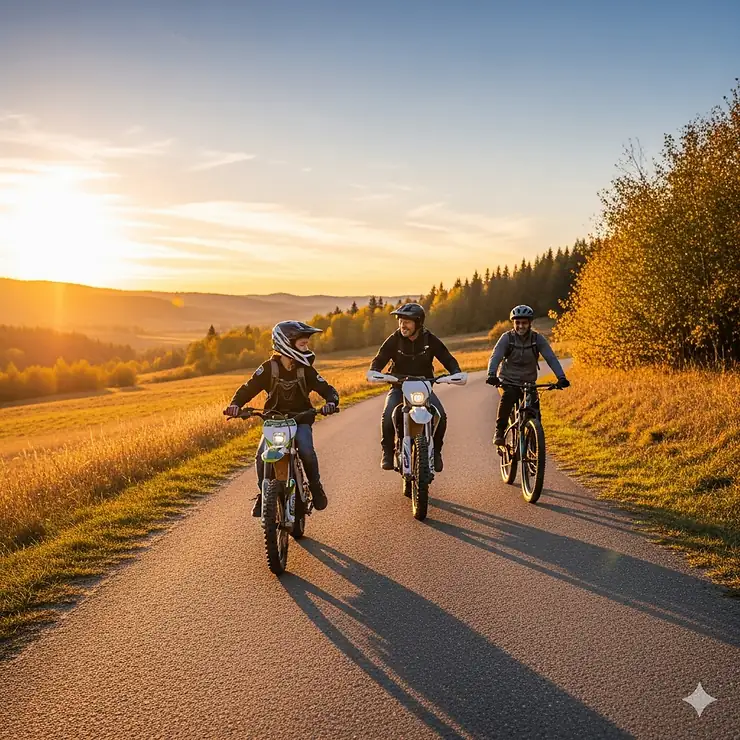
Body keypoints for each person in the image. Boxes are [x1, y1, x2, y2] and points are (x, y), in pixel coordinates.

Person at [224, 321, 339, 517]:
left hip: (301, 419)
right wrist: (236, 404)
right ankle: (264, 493)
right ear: (286, 344)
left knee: (305, 449)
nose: (306, 348)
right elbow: (248, 388)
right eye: (302, 345)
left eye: (306, 345)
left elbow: (327, 389)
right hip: (274, 421)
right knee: (262, 455)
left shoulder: (306, 369)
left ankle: (315, 486)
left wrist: (331, 402)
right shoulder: (269, 368)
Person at [369, 302, 462, 472]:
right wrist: (374, 371)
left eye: (407, 321)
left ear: (418, 323)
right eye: (401, 321)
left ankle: (437, 451)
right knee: (388, 413)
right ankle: (387, 452)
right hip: (398, 386)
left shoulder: (429, 339)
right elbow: (379, 359)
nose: (402, 325)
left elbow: (447, 358)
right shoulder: (395, 339)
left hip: (424, 386)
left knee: (440, 416)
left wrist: (456, 372)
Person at [486, 305, 569, 446]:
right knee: (508, 398)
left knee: (534, 412)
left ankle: (534, 444)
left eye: (524, 323)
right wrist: (491, 374)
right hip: (508, 381)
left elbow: (551, 358)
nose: (520, 326)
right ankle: (499, 431)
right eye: (517, 323)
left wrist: (561, 377)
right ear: (513, 324)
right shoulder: (507, 338)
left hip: (529, 382)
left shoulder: (537, 339)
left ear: (530, 323)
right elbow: (496, 356)